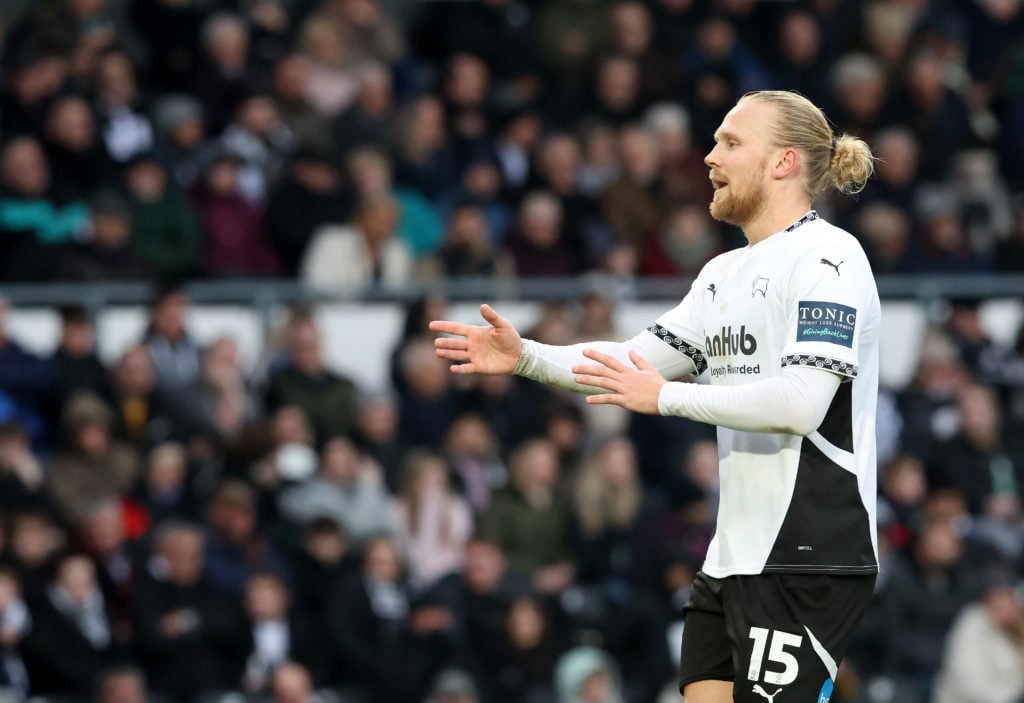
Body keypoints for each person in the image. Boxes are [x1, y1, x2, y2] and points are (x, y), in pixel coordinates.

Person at [430, 90, 880, 703]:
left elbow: (803, 403)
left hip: (808, 552)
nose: (708, 156)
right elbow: (631, 362)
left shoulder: (828, 256)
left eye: (730, 142)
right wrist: (526, 357)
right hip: (732, 557)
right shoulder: (722, 274)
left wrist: (668, 398)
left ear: (784, 162)